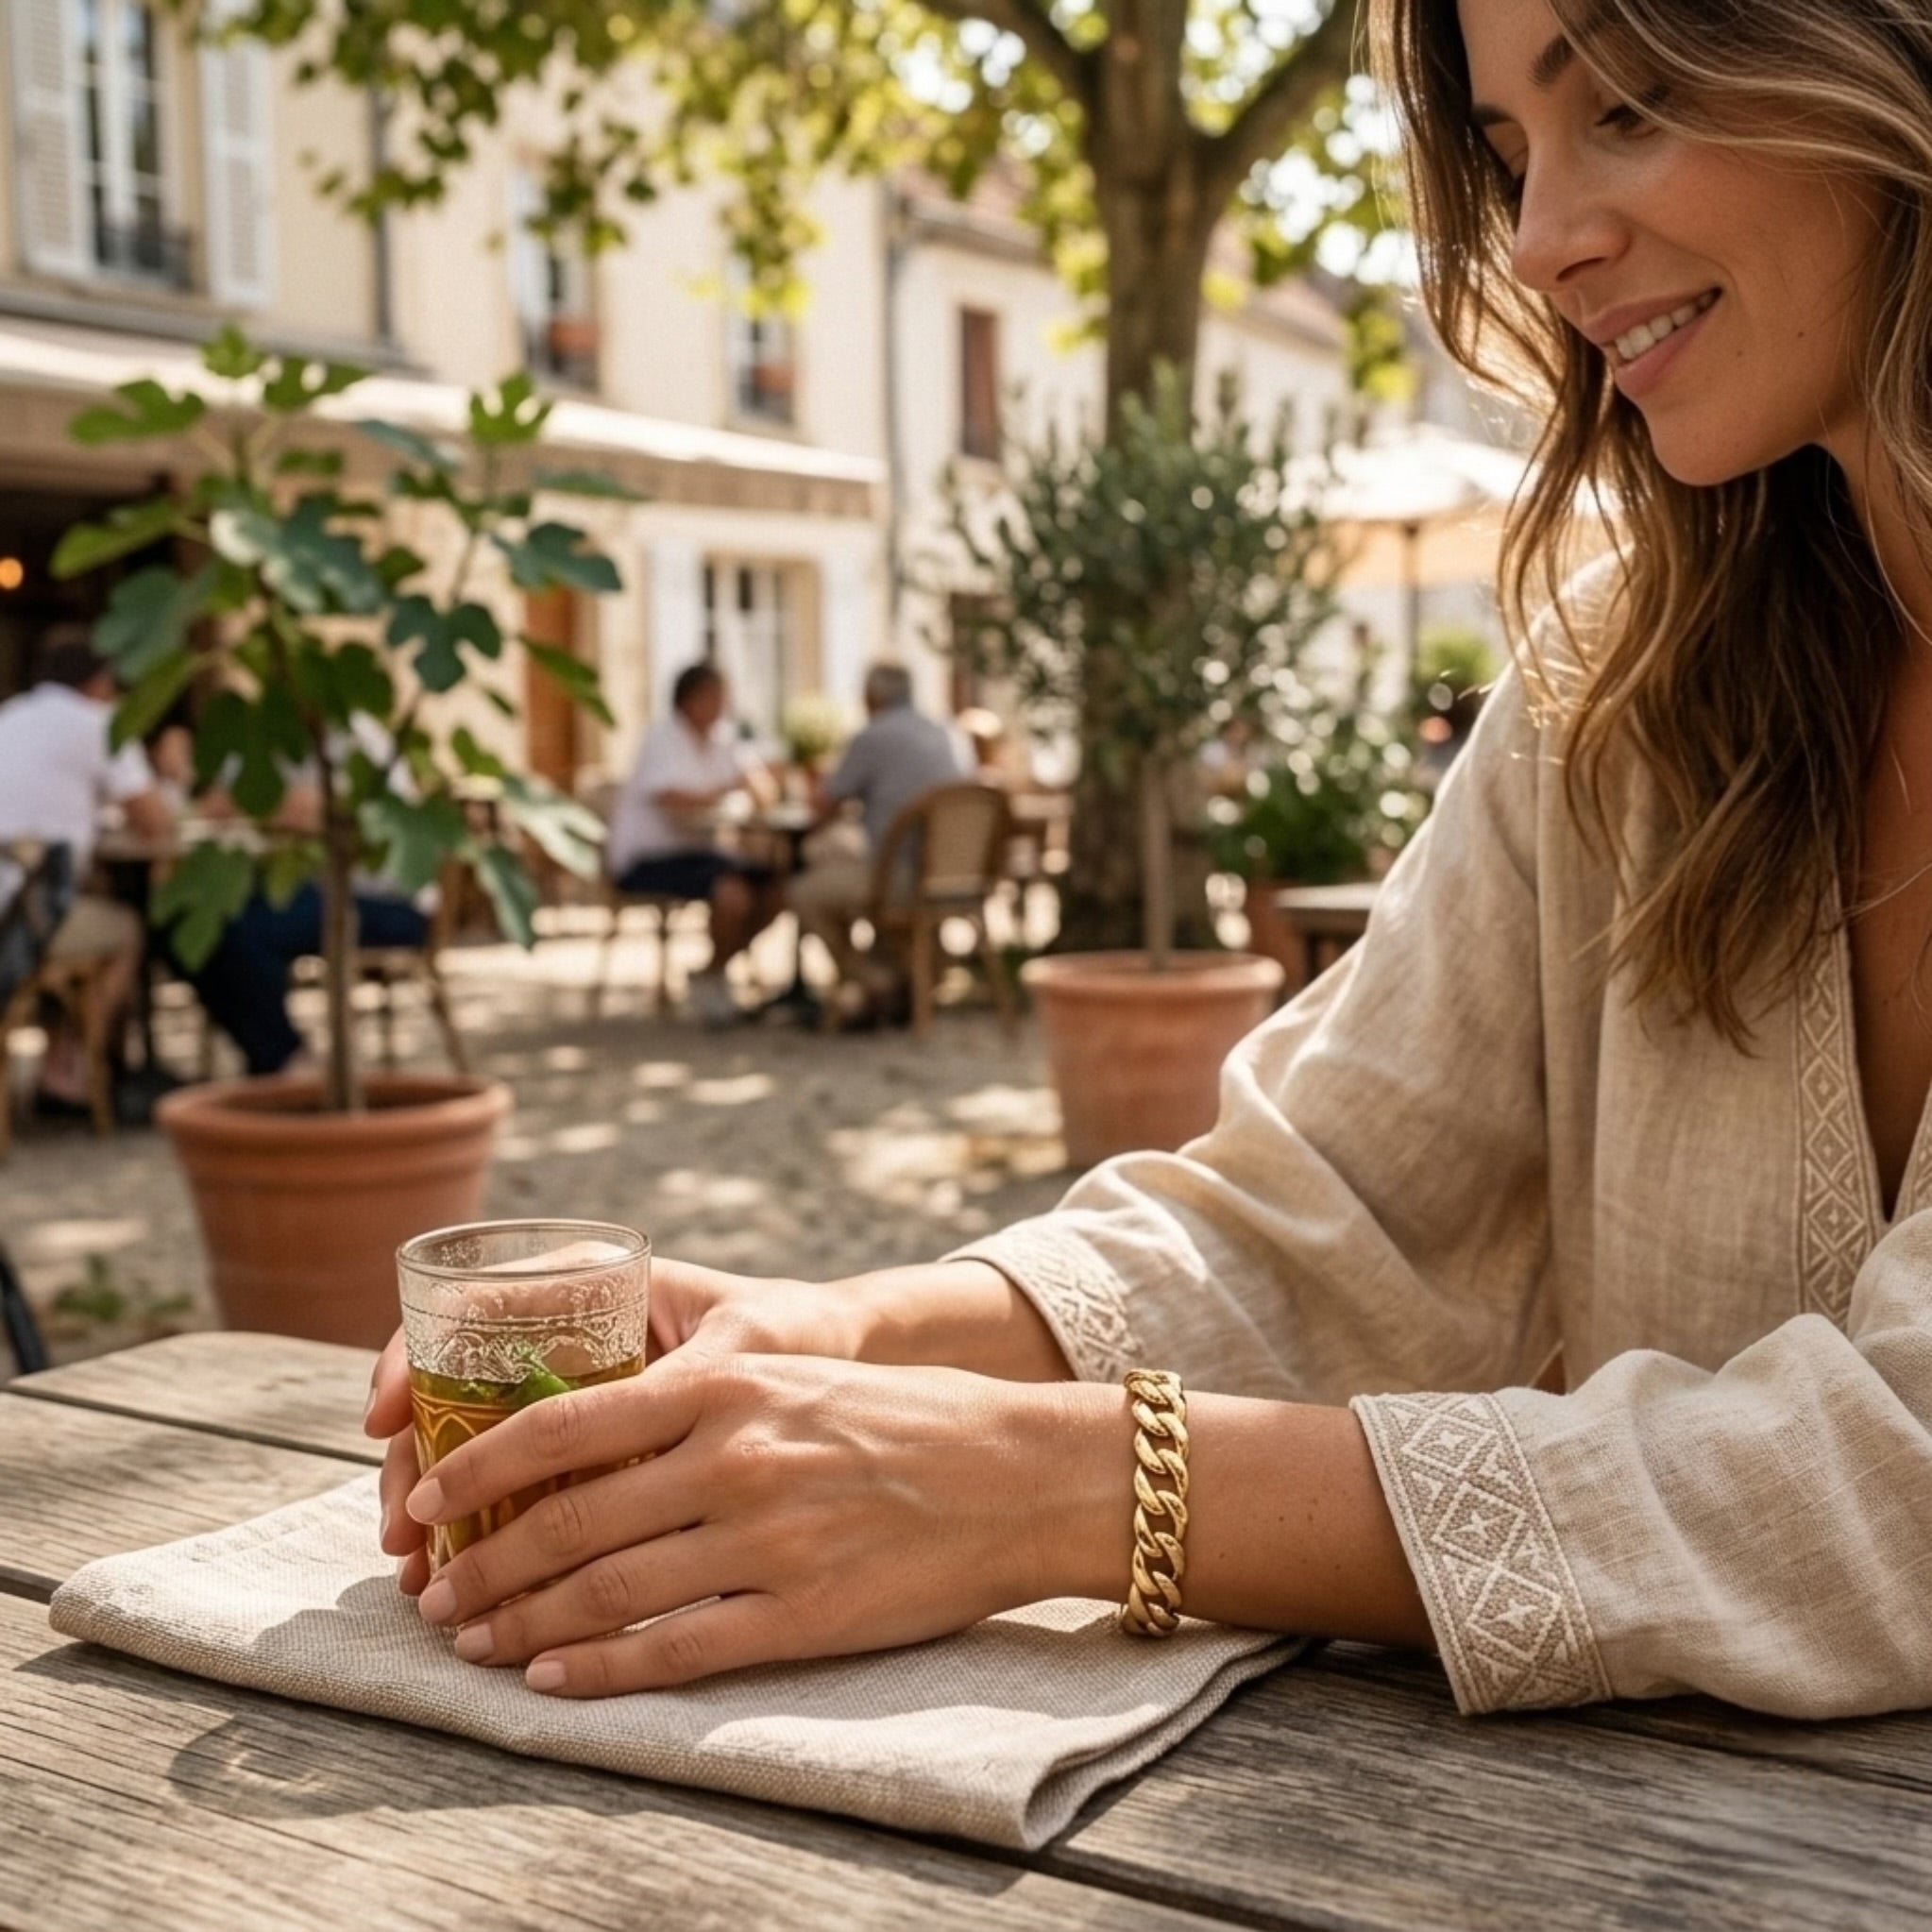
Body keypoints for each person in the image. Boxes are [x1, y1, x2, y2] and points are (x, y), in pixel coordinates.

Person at [363, 0, 1932, 1721]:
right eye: (1507, 159)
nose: (1541, 240)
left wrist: (1047, 1487)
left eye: (1625, 104)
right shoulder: (1622, 692)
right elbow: (1326, 1213)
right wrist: (834, 1340)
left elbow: (1897, 1476)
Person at [188, 721, 432, 1077]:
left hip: (388, 902)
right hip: (308, 889)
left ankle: (282, 1062)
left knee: (245, 931)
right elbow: (217, 805)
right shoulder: (265, 727)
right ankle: (281, 1058)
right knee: (199, 927)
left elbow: (317, 810)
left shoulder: (357, 735)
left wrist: (256, 803)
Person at [0, 626, 174, 1119]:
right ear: (100, 681)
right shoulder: (99, 723)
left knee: (83, 916)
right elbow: (156, 823)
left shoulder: (10, 716)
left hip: (13, 898)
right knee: (125, 931)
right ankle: (71, 1069)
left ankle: (65, 1063)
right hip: (25, 916)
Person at [788, 661, 971, 1019]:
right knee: (848, 861)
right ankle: (900, 979)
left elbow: (824, 805)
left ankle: (872, 979)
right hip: (955, 876)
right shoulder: (947, 733)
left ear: (872, 697)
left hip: (902, 877)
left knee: (801, 892)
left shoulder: (872, 737)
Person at [607, 663, 781, 1027]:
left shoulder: (722, 740)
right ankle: (712, 981)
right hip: (649, 857)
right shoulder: (662, 738)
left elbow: (763, 789)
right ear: (691, 699)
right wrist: (727, 789)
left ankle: (712, 971)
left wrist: (753, 782)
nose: (722, 705)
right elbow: (670, 798)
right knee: (732, 892)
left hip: (699, 852)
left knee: (776, 889)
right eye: (716, 697)